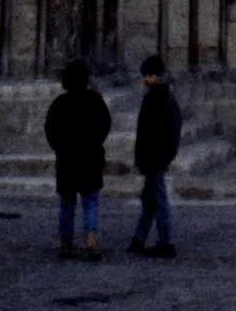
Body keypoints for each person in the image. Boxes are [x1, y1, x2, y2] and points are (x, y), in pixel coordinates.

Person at [44, 57, 112, 259]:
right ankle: (90, 240)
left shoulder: (59, 104)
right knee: (90, 202)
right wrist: (95, 142)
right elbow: (105, 124)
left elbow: (50, 130)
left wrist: (60, 148)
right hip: (90, 159)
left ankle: (66, 243)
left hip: (67, 161)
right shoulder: (95, 100)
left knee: (67, 205)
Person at [128, 54, 182, 260]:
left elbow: (159, 134)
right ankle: (138, 239)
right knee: (150, 200)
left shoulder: (160, 100)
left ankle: (166, 242)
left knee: (159, 200)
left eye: (148, 76)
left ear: (156, 76)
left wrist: (158, 158)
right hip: (153, 158)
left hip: (155, 159)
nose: (145, 80)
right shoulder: (160, 98)